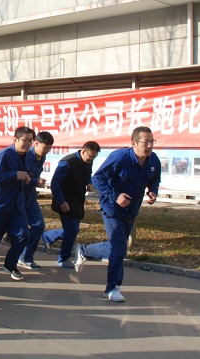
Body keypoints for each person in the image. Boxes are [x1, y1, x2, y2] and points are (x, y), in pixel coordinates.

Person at [75, 127, 160, 303]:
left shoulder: (153, 160)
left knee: (117, 246)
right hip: (112, 208)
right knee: (119, 248)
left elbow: (154, 178)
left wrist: (152, 191)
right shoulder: (120, 158)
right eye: (146, 142)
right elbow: (98, 179)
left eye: (152, 142)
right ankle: (112, 288)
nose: (150, 146)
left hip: (132, 209)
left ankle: (84, 251)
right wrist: (116, 195)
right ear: (134, 143)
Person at [0, 127, 35, 282]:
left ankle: (10, 264)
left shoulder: (29, 156)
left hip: (18, 205)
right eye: (25, 140)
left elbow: (27, 174)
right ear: (15, 140)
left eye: (30, 141)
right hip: (0, 204)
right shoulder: (4, 155)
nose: (28, 144)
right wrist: (14, 175)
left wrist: (27, 178)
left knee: (23, 235)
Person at [42, 141, 101, 267]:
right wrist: (62, 201)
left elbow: (88, 173)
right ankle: (63, 258)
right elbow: (55, 184)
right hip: (64, 201)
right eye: (90, 156)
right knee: (72, 230)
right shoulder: (67, 162)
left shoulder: (88, 162)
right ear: (83, 151)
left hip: (77, 201)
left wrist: (89, 182)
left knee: (72, 230)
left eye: (94, 157)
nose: (91, 159)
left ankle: (49, 236)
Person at [17, 131, 53, 270]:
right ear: (36, 143)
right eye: (45, 147)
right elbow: (23, 178)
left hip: (31, 197)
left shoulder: (41, 157)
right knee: (19, 230)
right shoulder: (25, 156)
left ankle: (26, 257)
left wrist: (36, 181)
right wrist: (35, 181)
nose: (47, 150)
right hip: (19, 197)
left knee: (38, 225)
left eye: (49, 148)